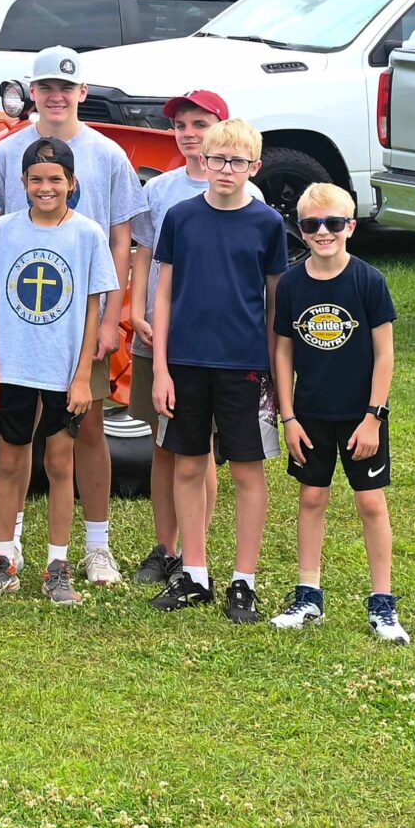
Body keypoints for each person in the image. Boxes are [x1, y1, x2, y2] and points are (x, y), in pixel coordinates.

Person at [0, 46, 140, 586]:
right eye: (46, 86)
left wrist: (109, 319)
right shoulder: (6, 153)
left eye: (66, 87)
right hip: (23, 323)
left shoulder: (107, 154)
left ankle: (95, 545)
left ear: (82, 93)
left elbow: (121, 237)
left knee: (84, 429)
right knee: (16, 438)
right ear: (32, 91)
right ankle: (10, 545)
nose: (56, 95)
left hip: (82, 322)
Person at [149, 118, 288, 621]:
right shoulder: (181, 217)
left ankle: (243, 581)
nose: (226, 170)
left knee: (248, 471)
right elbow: (162, 296)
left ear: (254, 166)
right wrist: (161, 369)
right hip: (186, 363)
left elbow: (275, 304)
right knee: (187, 464)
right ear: (201, 161)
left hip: (245, 367)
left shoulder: (267, 223)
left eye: (237, 161)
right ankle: (196, 574)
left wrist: (275, 369)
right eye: (217, 159)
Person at [0, 138, 116, 603]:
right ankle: (2, 560)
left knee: (59, 463)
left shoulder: (88, 234)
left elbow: (93, 310)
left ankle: (58, 565)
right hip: (14, 366)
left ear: (72, 184)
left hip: (62, 370)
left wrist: (80, 378)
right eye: (36, 179)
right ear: (23, 184)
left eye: (55, 179)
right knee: (10, 460)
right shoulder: (4, 232)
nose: (46, 187)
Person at [270, 185, 406, 642]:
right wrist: (288, 418)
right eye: (312, 224)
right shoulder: (291, 284)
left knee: (370, 502)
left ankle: (382, 605)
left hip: (360, 416)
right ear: (302, 230)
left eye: (333, 223)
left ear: (351, 226)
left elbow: (384, 355)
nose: (323, 232)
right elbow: (283, 354)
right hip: (309, 416)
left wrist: (374, 416)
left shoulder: (368, 281)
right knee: (311, 499)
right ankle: (308, 596)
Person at [125, 89, 249, 588]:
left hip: (211, 343)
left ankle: (197, 546)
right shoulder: (160, 190)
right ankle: (167, 548)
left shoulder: (246, 192)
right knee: (163, 443)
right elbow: (142, 253)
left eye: (200, 123)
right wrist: (135, 308)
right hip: (158, 336)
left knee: (201, 449)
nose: (190, 133)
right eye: (182, 126)